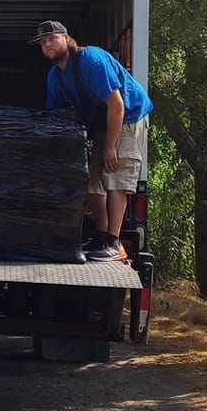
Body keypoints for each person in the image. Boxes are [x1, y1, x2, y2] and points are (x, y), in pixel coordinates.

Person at [31, 19, 152, 260]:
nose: (47, 45)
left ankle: (115, 243)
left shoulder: (91, 60)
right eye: (43, 43)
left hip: (126, 115)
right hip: (101, 122)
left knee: (116, 176)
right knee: (92, 181)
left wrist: (109, 146)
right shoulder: (55, 76)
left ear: (67, 38)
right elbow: (57, 118)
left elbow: (116, 105)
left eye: (52, 39)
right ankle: (101, 236)